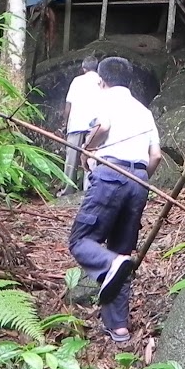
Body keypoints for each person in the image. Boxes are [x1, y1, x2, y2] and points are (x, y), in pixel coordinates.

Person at [68, 56, 161, 346]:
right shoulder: (144, 111)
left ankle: (110, 264)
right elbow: (155, 156)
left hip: (111, 173)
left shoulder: (105, 100)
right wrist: (140, 178)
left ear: (101, 80)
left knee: (81, 241)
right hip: (139, 179)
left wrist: (87, 150)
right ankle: (119, 328)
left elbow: (103, 126)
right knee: (122, 249)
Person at [60, 56, 104, 194]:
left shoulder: (77, 81)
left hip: (76, 124)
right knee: (91, 157)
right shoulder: (101, 81)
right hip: (95, 126)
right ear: (96, 67)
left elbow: (69, 104)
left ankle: (68, 189)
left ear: (83, 68)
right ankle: (88, 190)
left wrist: (65, 122)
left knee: (71, 159)